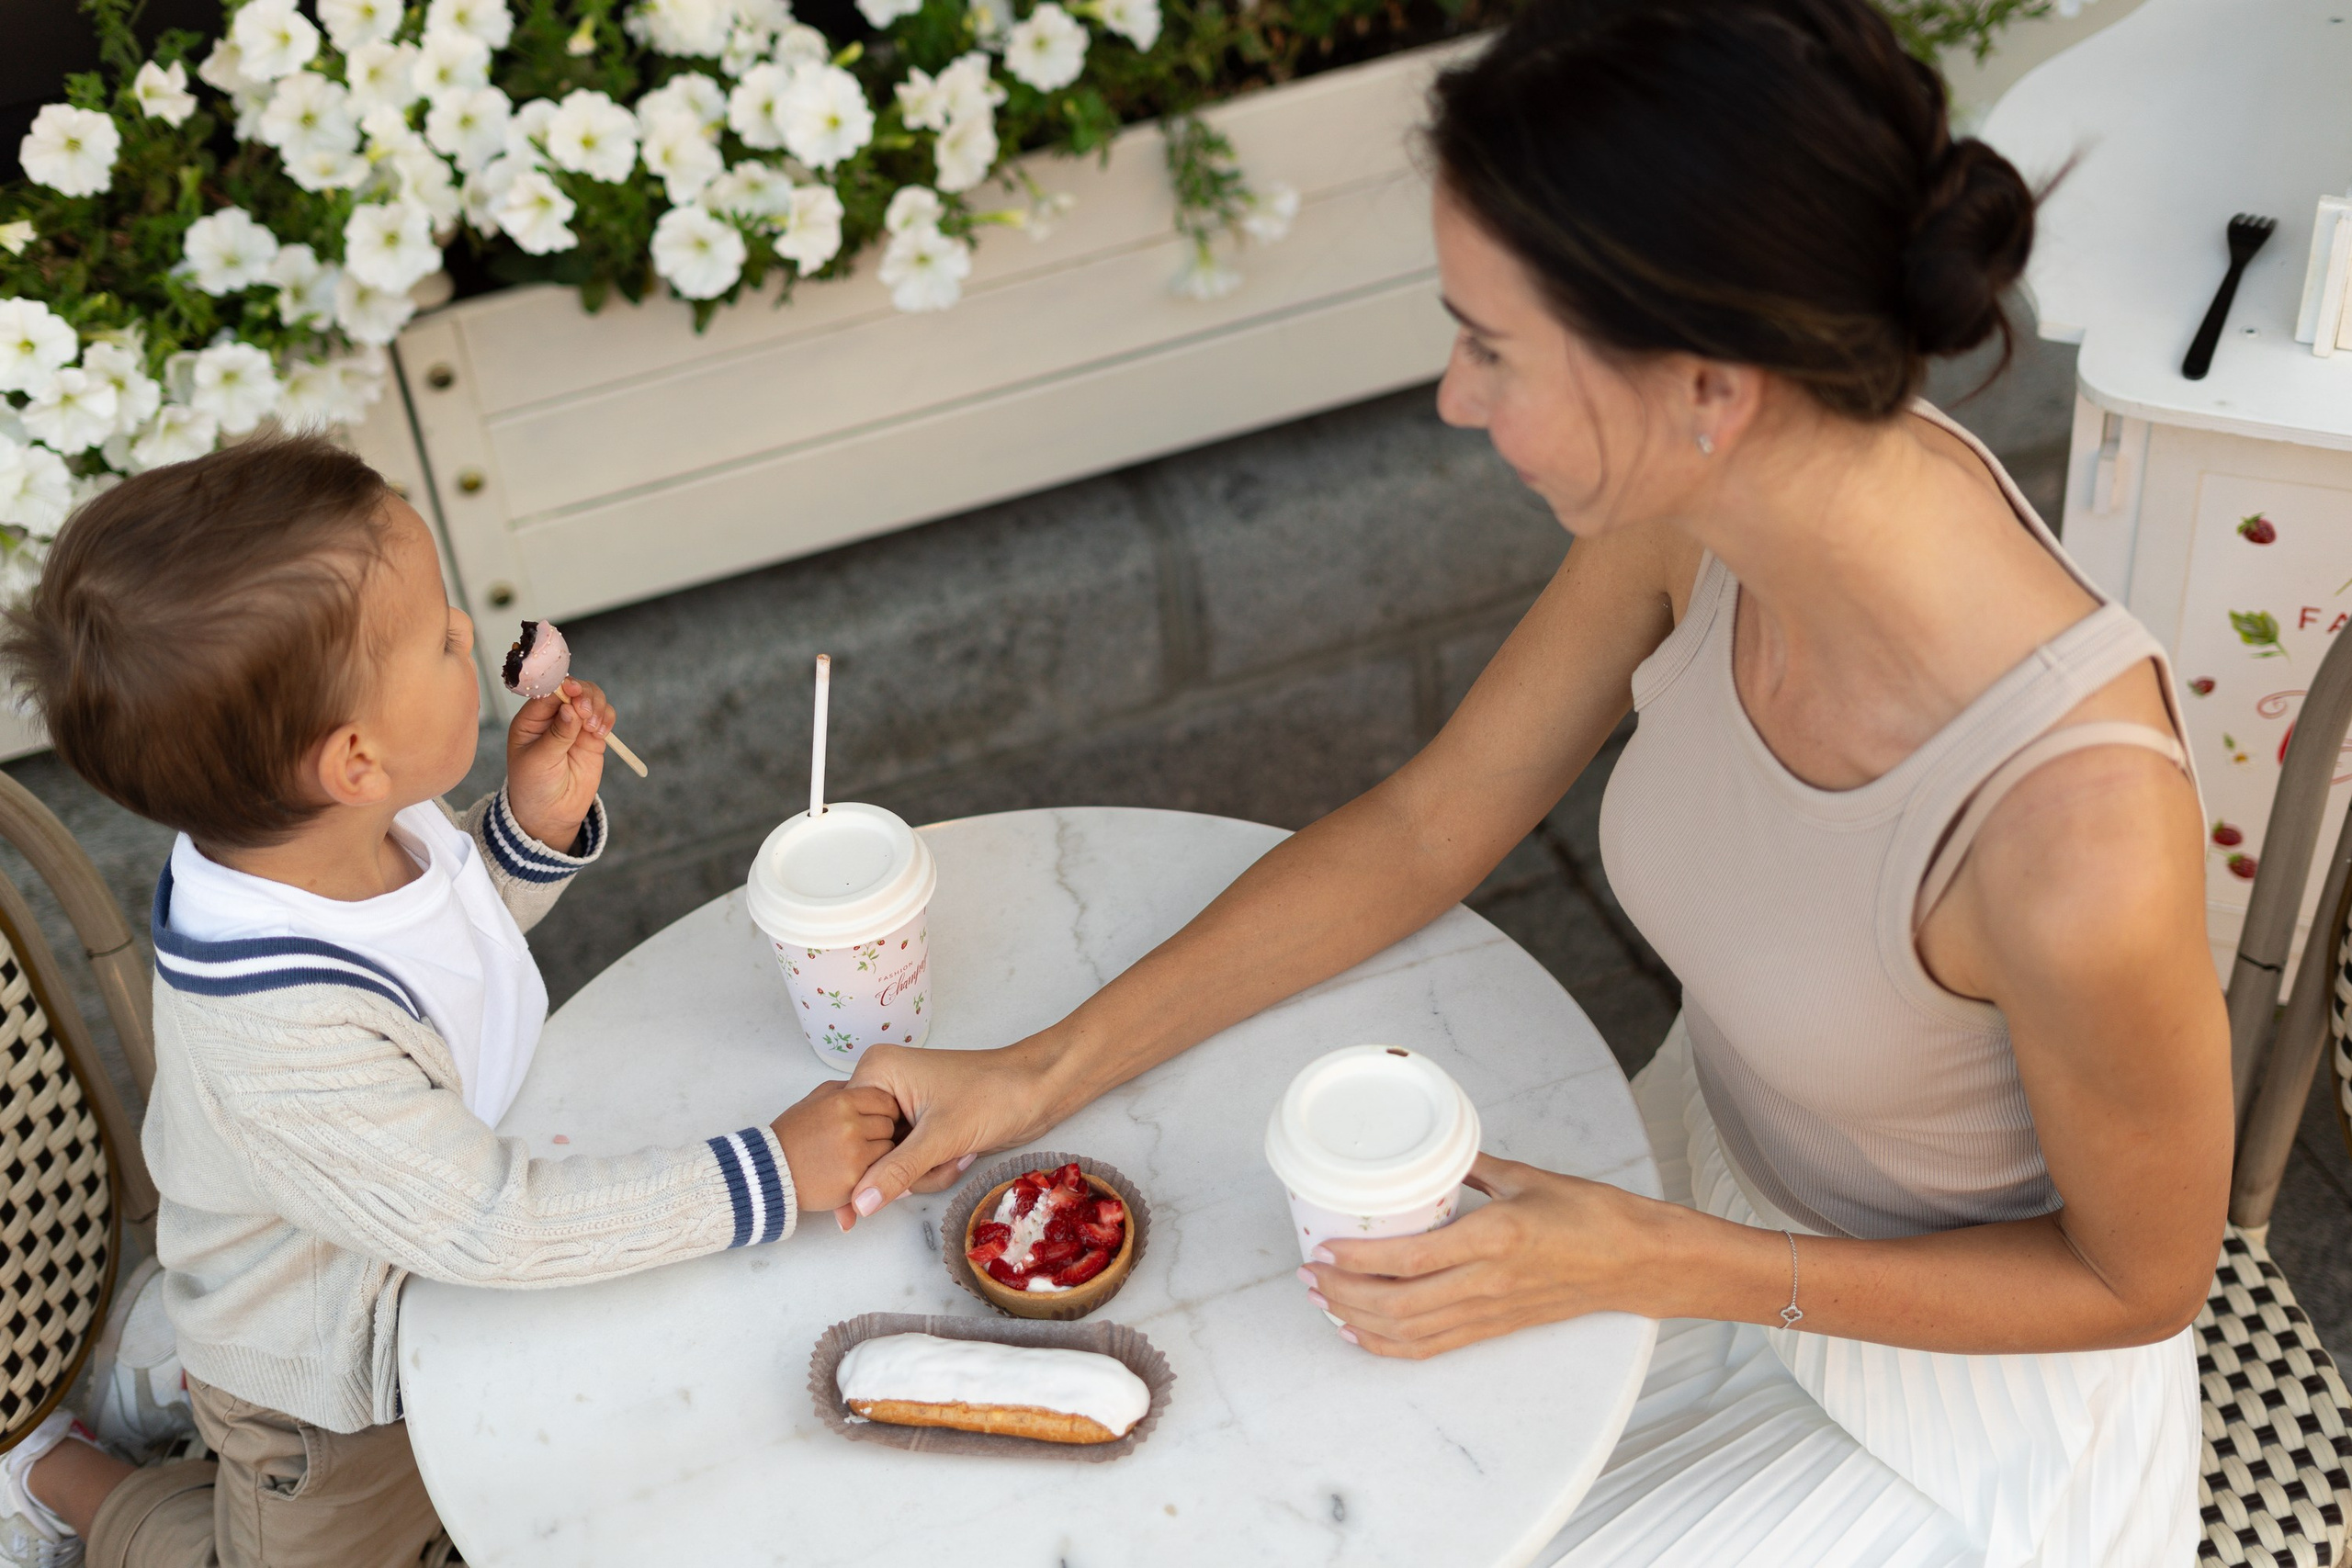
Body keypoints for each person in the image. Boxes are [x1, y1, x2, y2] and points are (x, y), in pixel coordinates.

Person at [838, 0, 2227, 1561]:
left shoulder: (2075, 836)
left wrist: (1656, 1259)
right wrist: (1042, 1066)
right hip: (1668, 1201)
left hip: (1940, 1413)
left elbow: (2137, 1283)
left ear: (1709, 385)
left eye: (1493, 348)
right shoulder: (1699, 508)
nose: (1454, 397)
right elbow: (1437, 820)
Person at [0, 434, 899, 1568]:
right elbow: (492, 1225)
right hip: (328, 1391)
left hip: (399, 1230)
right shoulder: (278, 1039)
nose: (473, 633)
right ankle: (63, 1477)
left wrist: (523, 832)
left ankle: (172, 1334)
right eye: (436, 639)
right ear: (356, 762)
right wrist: (769, 1174)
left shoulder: (333, 840)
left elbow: (441, 952)